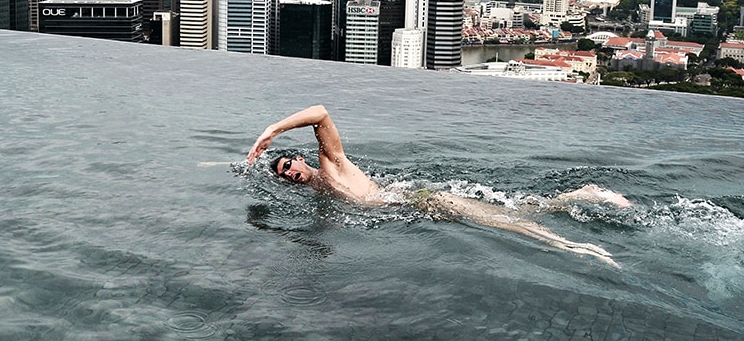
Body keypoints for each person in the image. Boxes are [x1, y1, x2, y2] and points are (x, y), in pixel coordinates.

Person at [246, 105, 630, 266]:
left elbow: (321, 113)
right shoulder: (316, 192)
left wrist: (273, 129)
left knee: (508, 224)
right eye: (282, 175)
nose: (288, 173)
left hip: (430, 203)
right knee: (514, 211)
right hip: (416, 209)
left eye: (288, 165)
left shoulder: (332, 167)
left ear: (300, 159)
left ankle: (573, 245)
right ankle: (585, 195)